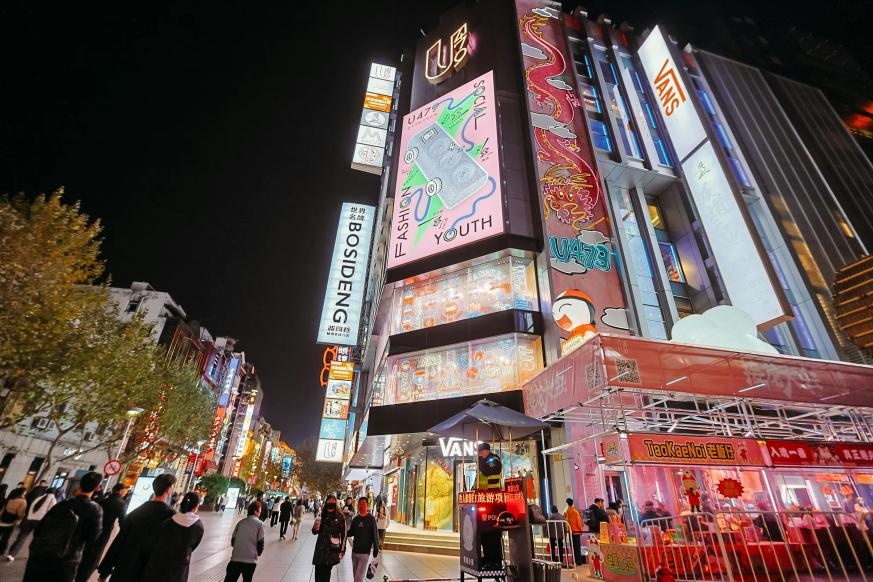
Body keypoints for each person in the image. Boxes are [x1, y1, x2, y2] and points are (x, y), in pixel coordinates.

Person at [22, 471, 103, 582]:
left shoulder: (62, 504)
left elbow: (38, 530)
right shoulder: (95, 510)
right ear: (97, 488)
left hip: (39, 558)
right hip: (65, 564)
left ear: (80, 484)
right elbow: (93, 537)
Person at [97, 472, 177, 582]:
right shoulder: (170, 516)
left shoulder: (137, 511)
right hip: (147, 572)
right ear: (168, 490)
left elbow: (119, 540)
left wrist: (105, 570)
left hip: (124, 568)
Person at [141, 492, 204, 582]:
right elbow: (194, 545)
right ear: (196, 507)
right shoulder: (198, 526)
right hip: (179, 568)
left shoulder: (168, 522)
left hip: (159, 564)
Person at [77, 484, 128, 582]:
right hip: (104, 532)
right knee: (94, 557)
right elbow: (122, 522)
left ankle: (79, 572)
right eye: (125, 490)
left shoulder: (103, 501)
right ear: (121, 491)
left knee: (86, 552)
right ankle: (82, 578)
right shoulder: (121, 504)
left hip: (93, 529)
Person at [8, 486, 57, 560]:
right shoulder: (53, 499)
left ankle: (11, 554)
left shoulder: (39, 498)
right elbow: (51, 511)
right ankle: (33, 556)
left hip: (29, 519)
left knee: (21, 537)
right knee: (37, 540)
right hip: (40, 521)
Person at [477, 442, 503, 570]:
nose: (479, 455)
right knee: (484, 533)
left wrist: (481, 461)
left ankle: (496, 561)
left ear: (485, 451)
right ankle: (487, 558)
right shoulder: (484, 461)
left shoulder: (494, 460)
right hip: (485, 500)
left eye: (480, 452)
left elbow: (488, 472)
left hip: (493, 500)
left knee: (492, 533)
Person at [224, 501, 265, 582]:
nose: (260, 512)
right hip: (250, 560)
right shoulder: (260, 524)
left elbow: (233, 541)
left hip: (235, 558)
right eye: (260, 510)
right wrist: (258, 553)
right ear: (256, 512)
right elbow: (260, 542)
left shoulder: (241, 522)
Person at [312, 493, 346, 582]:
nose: (330, 504)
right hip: (320, 549)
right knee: (318, 574)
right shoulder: (322, 515)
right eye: (329, 502)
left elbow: (344, 534)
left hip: (331, 550)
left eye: (333, 502)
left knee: (326, 574)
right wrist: (315, 528)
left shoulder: (340, 516)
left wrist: (342, 549)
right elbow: (314, 532)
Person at [348, 497, 379, 582]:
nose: (362, 505)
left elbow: (375, 535)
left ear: (367, 505)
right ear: (357, 506)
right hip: (354, 552)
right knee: (356, 576)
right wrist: (342, 529)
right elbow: (350, 533)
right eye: (360, 503)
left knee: (358, 578)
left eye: (364, 503)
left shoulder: (371, 519)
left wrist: (376, 550)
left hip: (364, 553)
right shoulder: (356, 519)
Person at [0, 487, 27, 559]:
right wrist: (20, 519)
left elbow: (4, 508)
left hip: (3, 518)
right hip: (11, 520)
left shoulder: (11, 499)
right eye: (25, 492)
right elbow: (20, 513)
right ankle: (1, 551)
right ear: (22, 493)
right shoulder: (23, 501)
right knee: (6, 537)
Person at [567, 498, 588, 567]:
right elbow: (578, 522)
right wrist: (580, 530)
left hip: (570, 531)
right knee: (577, 547)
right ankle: (578, 561)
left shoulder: (567, 511)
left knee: (573, 547)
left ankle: (574, 561)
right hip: (576, 531)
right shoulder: (575, 511)